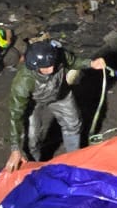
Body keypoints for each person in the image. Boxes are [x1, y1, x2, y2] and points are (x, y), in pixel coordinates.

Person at [6, 39, 107, 172]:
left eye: (53, 64)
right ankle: (35, 169)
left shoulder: (58, 55)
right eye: (46, 67)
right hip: (33, 103)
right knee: (31, 138)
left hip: (60, 94)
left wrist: (90, 63)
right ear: (35, 66)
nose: (52, 68)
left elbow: (73, 62)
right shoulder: (23, 83)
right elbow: (15, 115)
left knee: (73, 124)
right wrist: (15, 149)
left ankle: (74, 160)